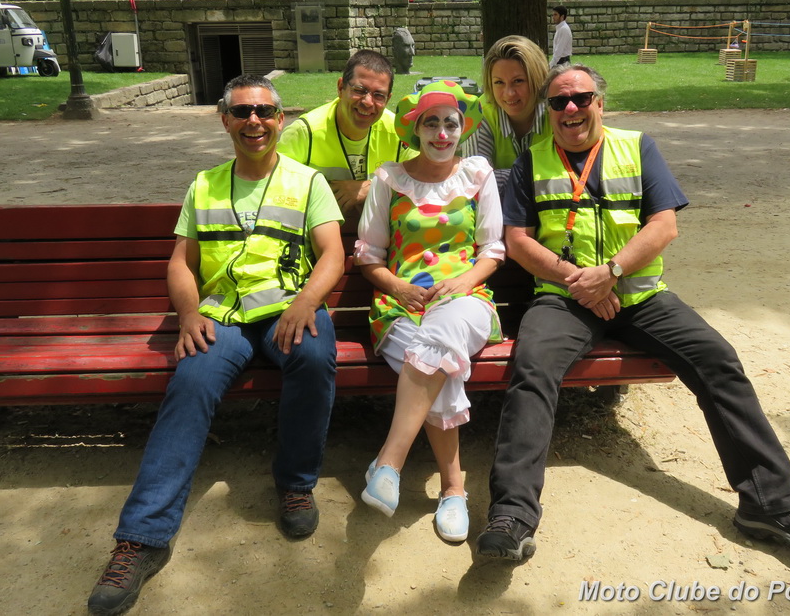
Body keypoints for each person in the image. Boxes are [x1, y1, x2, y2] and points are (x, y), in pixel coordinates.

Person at [475, 63, 790, 561]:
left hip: (640, 297)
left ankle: (770, 504)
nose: (570, 109)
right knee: (533, 368)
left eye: (581, 98)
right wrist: (580, 281)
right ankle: (512, 515)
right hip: (564, 299)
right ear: (549, 110)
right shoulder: (532, 160)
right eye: (559, 101)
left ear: (599, 103)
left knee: (718, 360)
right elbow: (518, 241)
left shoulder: (637, 147)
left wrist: (610, 272)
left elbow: (663, 225)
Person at [87, 74, 345, 615]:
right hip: (222, 316)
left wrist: (306, 302)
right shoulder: (203, 185)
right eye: (242, 112)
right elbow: (181, 263)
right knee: (191, 381)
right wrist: (187, 314)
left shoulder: (307, 182)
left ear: (281, 119)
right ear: (224, 119)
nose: (255, 121)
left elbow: (332, 254)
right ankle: (141, 539)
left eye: (265, 111)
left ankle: (296, 484)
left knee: (315, 356)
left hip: (286, 309)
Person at [354, 80, 504, 543]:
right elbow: (368, 256)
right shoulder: (388, 179)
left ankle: (389, 462)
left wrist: (463, 282)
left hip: (464, 300)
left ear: (462, 128)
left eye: (451, 124)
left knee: (440, 341)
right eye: (432, 123)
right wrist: (398, 287)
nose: (442, 134)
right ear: (415, 129)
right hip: (400, 306)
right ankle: (453, 489)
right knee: (441, 365)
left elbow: (492, 249)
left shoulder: (477, 174)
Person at [279, 49, 417, 215]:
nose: (368, 102)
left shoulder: (398, 131)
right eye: (359, 90)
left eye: (379, 95)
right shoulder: (304, 132)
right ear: (340, 88)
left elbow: (424, 179)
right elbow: (276, 187)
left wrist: (371, 187)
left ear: (388, 99)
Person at [463, 35, 552, 191]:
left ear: (537, 79)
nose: (509, 93)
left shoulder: (556, 110)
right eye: (499, 82)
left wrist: (501, 178)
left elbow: (570, 176)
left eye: (518, 81)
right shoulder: (479, 114)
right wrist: (538, 177)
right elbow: (476, 182)